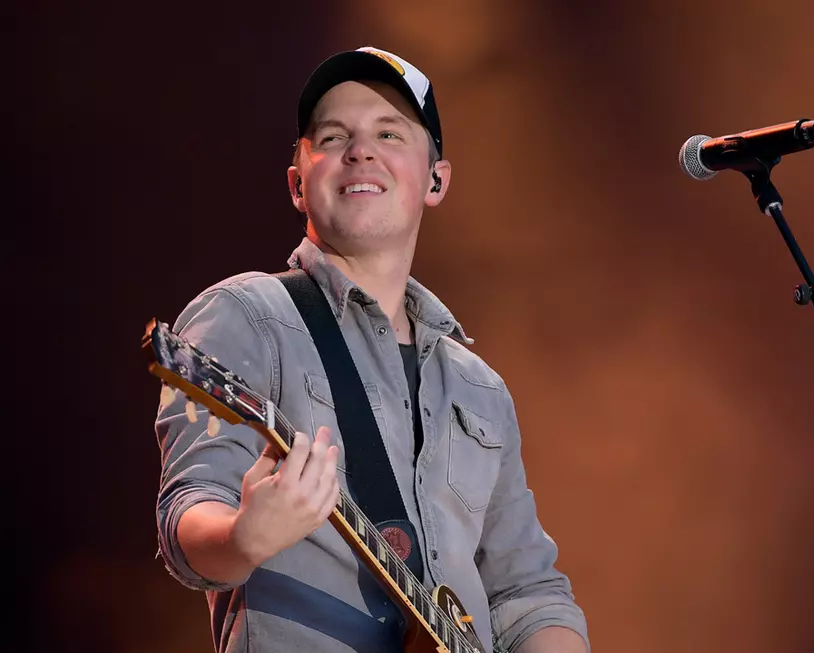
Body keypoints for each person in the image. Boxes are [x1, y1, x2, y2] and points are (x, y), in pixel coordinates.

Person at [153, 46, 590, 653]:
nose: (360, 150)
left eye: (389, 133)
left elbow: (527, 591)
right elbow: (189, 512)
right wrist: (242, 539)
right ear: (296, 184)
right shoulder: (247, 316)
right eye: (333, 137)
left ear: (436, 180)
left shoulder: (480, 388)